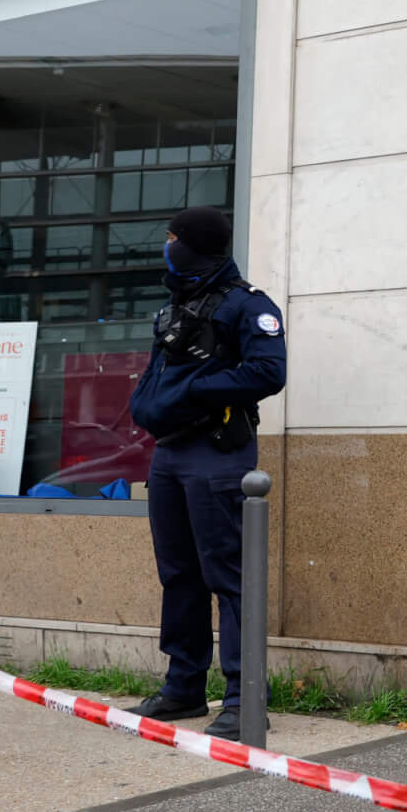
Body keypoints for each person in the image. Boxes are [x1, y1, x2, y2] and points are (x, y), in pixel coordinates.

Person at [127, 207, 287, 742]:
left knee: (230, 579)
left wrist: (197, 391)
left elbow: (269, 371)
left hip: (217, 455)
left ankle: (244, 701)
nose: (167, 245)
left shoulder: (248, 305)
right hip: (170, 455)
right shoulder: (177, 306)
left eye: (172, 237)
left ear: (195, 244)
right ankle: (184, 687)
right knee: (179, 575)